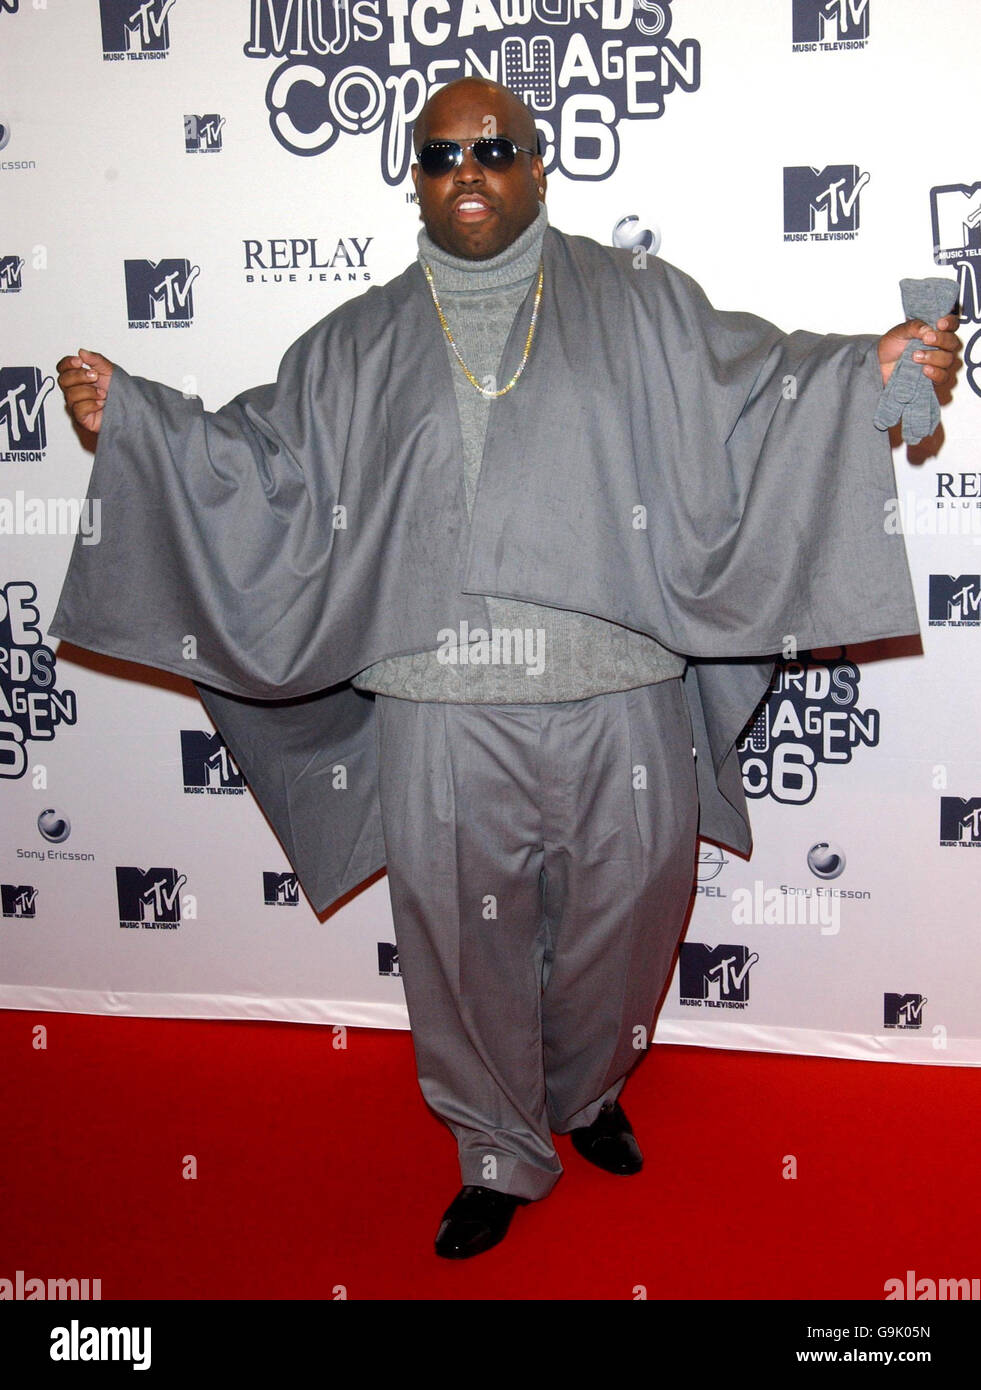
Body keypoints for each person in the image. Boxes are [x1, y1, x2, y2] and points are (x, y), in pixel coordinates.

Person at [54, 77, 960, 1261]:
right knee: (462, 944)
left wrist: (873, 368)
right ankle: (495, 1144)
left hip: (622, 695)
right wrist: (142, 422)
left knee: (627, 921)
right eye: (439, 155)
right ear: (416, 176)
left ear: (540, 165)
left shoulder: (643, 304)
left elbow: (761, 398)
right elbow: (258, 467)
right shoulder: (353, 343)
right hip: (441, 709)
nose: (466, 171)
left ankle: (585, 1094)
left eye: (493, 149)